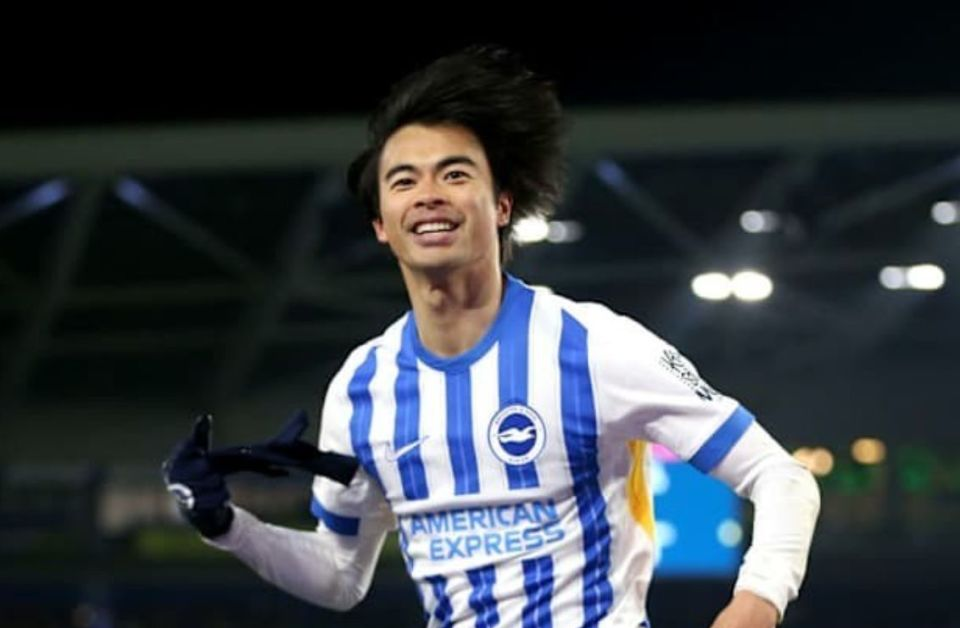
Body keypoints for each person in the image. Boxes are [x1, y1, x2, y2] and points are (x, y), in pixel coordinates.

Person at [163, 45, 820, 628]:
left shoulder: (593, 346)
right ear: (381, 225)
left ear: (502, 205)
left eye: (455, 174)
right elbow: (340, 576)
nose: (428, 194)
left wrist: (753, 606)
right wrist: (227, 525)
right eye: (403, 180)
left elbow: (781, 477)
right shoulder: (363, 389)